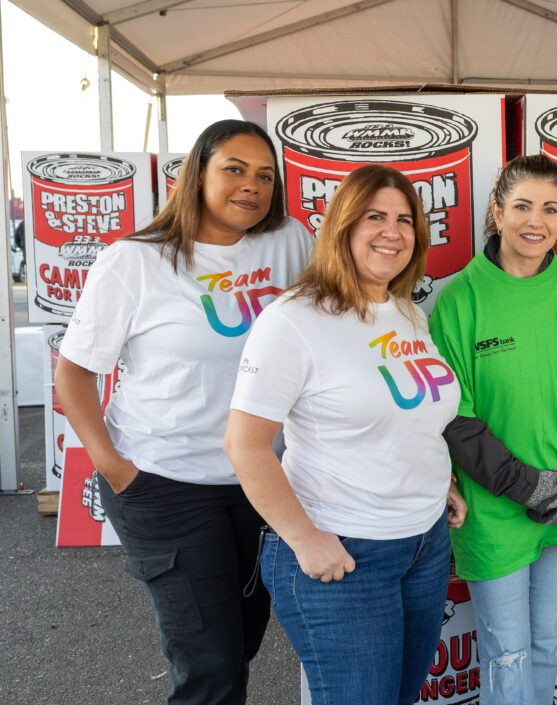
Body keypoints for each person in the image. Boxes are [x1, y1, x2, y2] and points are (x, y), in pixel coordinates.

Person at [55, 119, 314, 705]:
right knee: (210, 664)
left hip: (258, 481)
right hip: (164, 480)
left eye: (265, 176)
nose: (251, 185)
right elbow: (72, 374)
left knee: (243, 640)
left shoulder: (290, 241)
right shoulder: (135, 261)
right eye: (234, 169)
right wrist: (118, 471)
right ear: (196, 174)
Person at [223, 164, 466, 705]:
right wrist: (305, 540)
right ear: (343, 226)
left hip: (423, 545)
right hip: (346, 552)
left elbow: (411, 414)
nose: (392, 231)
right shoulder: (293, 320)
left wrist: (438, 479)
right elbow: (245, 444)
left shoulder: (407, 312)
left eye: (405, 220)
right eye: (375, 216)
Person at [429, 154, 557, 705]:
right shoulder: (459, 300)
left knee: (543, 646)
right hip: (494, 511)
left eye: (550, 209)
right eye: (522, 206)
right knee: (508, 652)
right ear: (497, 212)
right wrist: (528, 486)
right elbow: (455, 418)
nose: (535, 221)